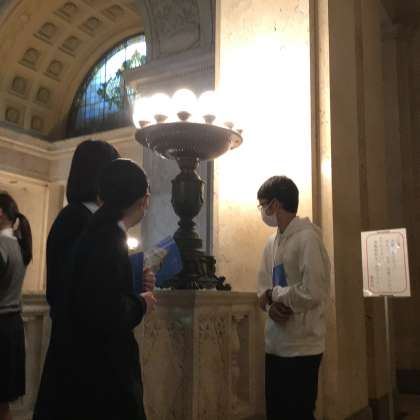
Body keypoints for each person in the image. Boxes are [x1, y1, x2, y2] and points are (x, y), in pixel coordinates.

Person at [33, 140, 155, 420]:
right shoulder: (76, 219)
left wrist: (135, 281)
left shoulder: (97, 222)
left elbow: (98, 281)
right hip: (84, 357)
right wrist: (137, 303)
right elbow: (86, 294)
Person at [256, 176, 330, 420]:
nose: (262, 211)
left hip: (303, 346)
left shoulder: (308, 238)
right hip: (276, 343)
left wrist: (276, 294)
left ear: (275, 204)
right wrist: (269, 305)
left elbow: (314, 291)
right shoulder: (271, 243)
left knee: (299, 413)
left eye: (263, 205)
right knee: (276, 411)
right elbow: (262, 287)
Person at [0, 192, 32, 420]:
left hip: (1, 328)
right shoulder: (18, 244)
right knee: (3, 405)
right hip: (12, 327)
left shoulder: (1, 245)